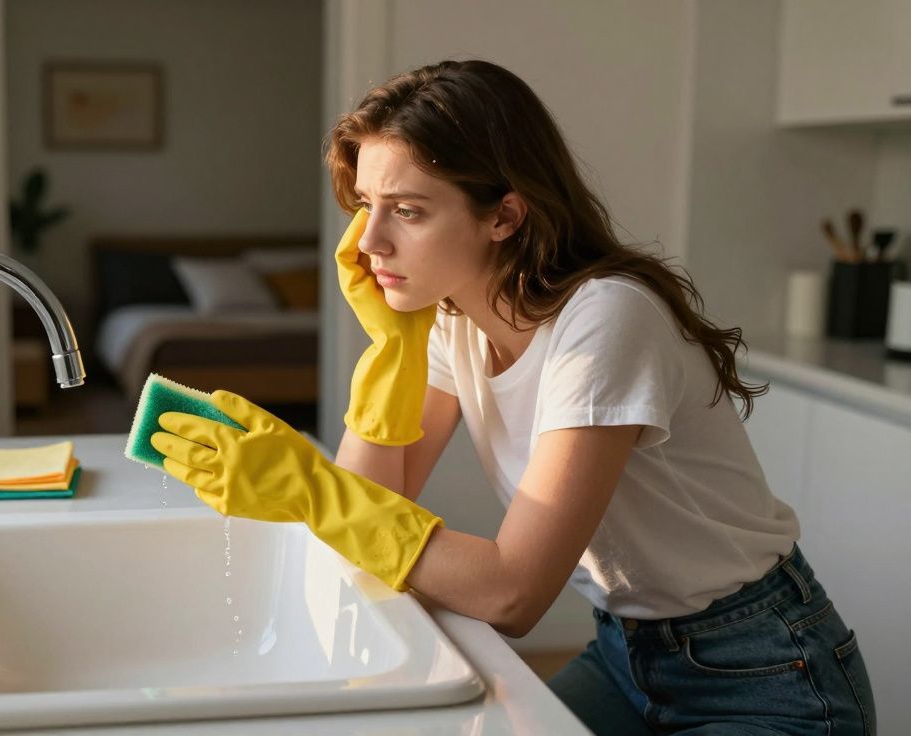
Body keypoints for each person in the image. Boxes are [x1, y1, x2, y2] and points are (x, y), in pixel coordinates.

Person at [149, 59, 875, 735]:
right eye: (366, 205)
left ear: (504, 215)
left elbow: (513, 594)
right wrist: (392, 349)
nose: (369, 241)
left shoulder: (605, 318)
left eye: (406, 210)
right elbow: (370, 519)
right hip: (627, 654)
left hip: (765, 668)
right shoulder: (451, 322)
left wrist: (307, 489)